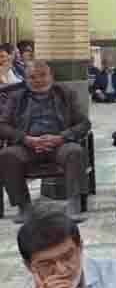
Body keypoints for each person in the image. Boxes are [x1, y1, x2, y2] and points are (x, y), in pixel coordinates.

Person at [0, 62, 92, 223]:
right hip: (27, 146)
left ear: (51, 76)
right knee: (7, 155)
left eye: (43, 75)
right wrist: (26, 139)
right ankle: (24, 206)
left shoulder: (66, 94)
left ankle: (74, 205)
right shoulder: (16, 98)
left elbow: (84, 124)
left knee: (74, 151)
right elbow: (2, 125)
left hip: (60, 144)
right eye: (32, 77)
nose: (38, 80)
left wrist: (61, 137)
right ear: (25, 79)